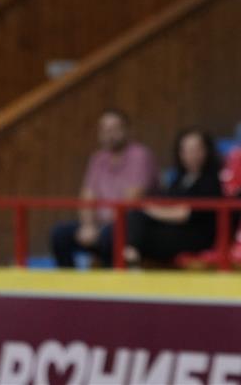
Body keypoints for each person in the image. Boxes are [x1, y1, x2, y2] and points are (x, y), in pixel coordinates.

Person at [51, 110, 158, 268]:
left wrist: (100, 230)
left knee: (110, 236)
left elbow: (131, 201)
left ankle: (111, 282)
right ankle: (69, 282)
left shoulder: (140, 156)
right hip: (99, 226)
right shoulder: (97, 158)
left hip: (131, 228)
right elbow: (87, 197)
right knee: (59, 234)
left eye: (115, 129)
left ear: (127, 130)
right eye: (105, 130)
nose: (109, 135)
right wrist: (88, 225)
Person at [123, 128, 223, 266]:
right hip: (174, 228)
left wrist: (151, 211)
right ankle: (126, 255)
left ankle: (131, 260)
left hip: (195, 235)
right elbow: (166, 201)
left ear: (206, 151)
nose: (191, 155)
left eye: (196, 149)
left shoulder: (211, 181)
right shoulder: (179, 179)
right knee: (127, 222)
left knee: (141, 223)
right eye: (186, 150)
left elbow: (185, 214)